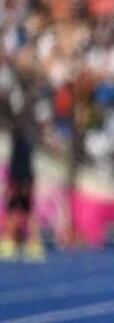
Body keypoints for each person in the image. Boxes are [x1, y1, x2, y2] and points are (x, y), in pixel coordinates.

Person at [0, 110, 46, 262]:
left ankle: (27, 242)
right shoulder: (23, 142)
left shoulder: (21, 143)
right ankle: (19, 242)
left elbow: (21, 165)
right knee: (20, 211)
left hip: (21, 181)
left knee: (18, 211)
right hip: (22, 180)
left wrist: (19, 184)